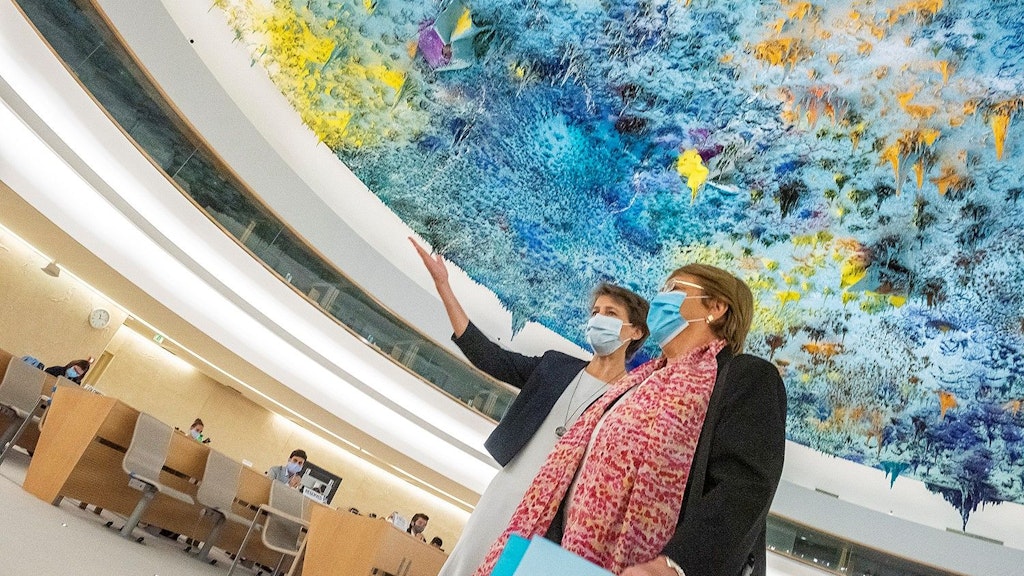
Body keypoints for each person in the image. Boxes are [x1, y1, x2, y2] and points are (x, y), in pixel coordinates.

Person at [474, 264, 787, 576]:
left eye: (674, 290)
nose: (660, 299)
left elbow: (744, 487)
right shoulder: (637, 382)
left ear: (716, 307)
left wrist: (673, 565)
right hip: (556, 559)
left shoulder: (745, 376)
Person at [411, 238, 650, 576]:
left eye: (611, 314)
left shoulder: (632, 400)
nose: (599, 320)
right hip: (509, 490)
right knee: (468, 563)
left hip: (560, 519)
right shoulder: (555, 367)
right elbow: (489, 357)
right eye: (596, 312)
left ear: (635, 331)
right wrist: (444, 286)